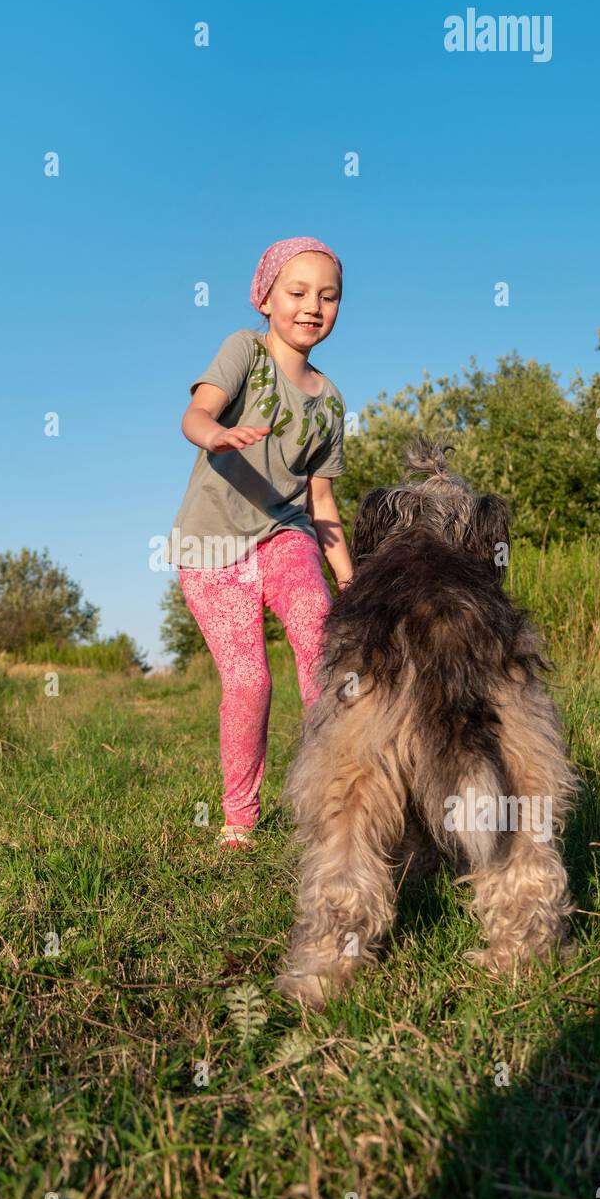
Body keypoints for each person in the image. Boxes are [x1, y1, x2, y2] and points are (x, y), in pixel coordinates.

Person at [165, 236, 353, 849]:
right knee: (250, 682)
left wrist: (350, 580)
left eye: (328, 296)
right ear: (265, 296)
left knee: (319, 640)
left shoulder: (331, 403)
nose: (312, 306)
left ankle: (337, 796)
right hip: (211, 546)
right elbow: (196, 414)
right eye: (297, 292)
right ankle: (239, 819)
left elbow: (321, 503)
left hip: (284, 533)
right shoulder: (243, 351)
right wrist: (214, 434)